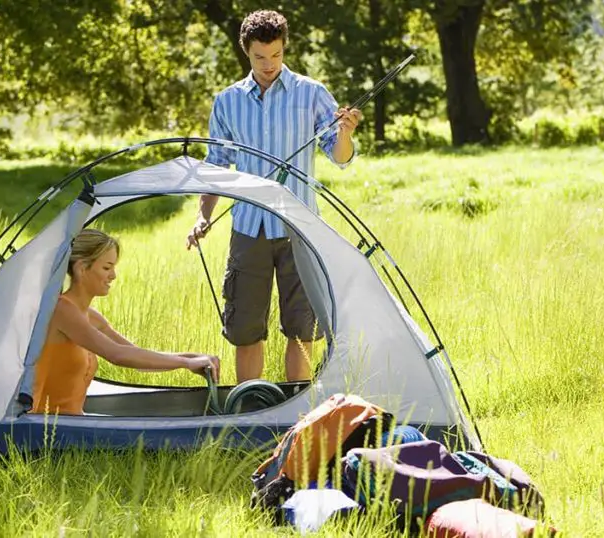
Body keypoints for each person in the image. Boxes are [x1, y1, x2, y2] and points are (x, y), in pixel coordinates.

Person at [185, 10, 362, 383]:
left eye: (277, 55)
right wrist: (203, 216)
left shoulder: (311, 93)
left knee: (302, 332)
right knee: (246, 330)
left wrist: (344, 132)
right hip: (248, 229)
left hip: (299, 229)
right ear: (246, 52)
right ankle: (251, 410)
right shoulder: (227, 101)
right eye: (260, 57)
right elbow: (215, 165)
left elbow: (340, 156)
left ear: (284, 48)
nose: (269, 65)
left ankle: (295, 414)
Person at [30, 229, 220, 415]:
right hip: (45, 429)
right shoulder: (62, 311)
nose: (113, 275)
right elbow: (117, 355)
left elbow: (136, 357)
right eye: (106, 267)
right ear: (81, 268)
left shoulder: (91, 317)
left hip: (76, 423)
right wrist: (185, 363)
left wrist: (190, 357)